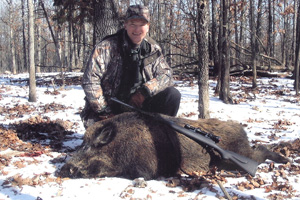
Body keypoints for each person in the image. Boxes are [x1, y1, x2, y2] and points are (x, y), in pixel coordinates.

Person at [80, 5, 181, 129]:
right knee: (105, 144)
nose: (137, 29)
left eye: (142, 24)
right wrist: (104, 112)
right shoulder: (106, 47)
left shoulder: (152, 49)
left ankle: (160, 134)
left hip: (138, 107)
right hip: (108, 108)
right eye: (133, 24)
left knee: (172, 95)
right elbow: (90, 81)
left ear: (148, 27)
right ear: (125, 25)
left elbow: (166, 75)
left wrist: (144, 91)